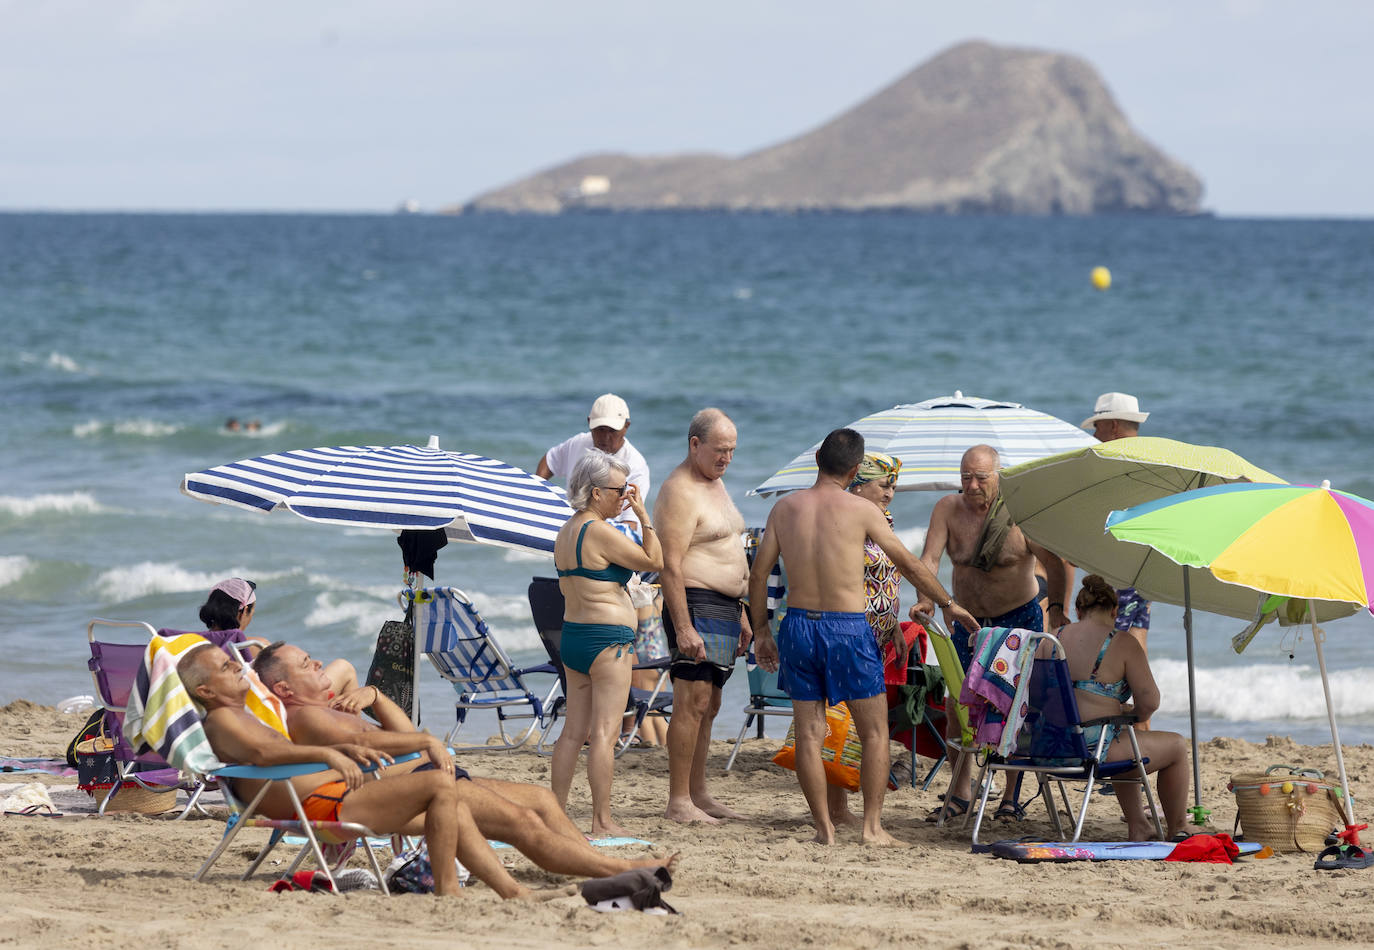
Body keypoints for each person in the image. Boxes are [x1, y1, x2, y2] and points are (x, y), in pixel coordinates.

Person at [252, 641, 678, 879]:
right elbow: (399, 745)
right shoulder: (308, 718)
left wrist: (377, 696)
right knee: (522, 822)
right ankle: (619, 870)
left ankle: (596, 861)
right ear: (285, 690)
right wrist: (420, 738)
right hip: (413, 787)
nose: (319, 662)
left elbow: (403, 737)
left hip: (423, 772)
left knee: (541, 800)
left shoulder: (329, 708)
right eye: (308, 664)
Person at [748, 428, 981, 846]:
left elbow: (759, 573)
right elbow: (908, 562)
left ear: (819, 458)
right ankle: (873, 829)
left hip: (798, 625)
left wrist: (762, 630)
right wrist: (947, 603)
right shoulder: (861, 511)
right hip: (846, 627)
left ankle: (824, 828)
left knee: (808, 733)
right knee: (874, 731)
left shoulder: (784, 509)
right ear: (855, 470)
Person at [178, 643, 518, 899]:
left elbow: (274, 750)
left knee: (458, 808)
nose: (236, 665)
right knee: (452, 804)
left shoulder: (246, 716)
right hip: (320, 804)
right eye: (226, 666)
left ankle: (493, 881)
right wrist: (332, 753)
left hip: (330, 794)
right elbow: (265, 754)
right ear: (206, 691)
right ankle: (464, 883)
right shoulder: (224, 720)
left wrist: (369, 702)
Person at [910, 444, 1070, 824]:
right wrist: (928, 601)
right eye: (966, 476)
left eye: (981, 477)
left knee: (1015, 709)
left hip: (1020, 619)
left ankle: (1010, 798)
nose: (972, 485)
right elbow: (929, 560)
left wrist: (1060, 609)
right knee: (957, 705)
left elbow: (1057, 562)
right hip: (968, 622)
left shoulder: (1020, 512)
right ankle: (962, 791)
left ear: (999, 475)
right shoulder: (948, 509)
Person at [549, 450, 662, 835]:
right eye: (620, 490)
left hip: (574, 636)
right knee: (604, 734)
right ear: (596, 493)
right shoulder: (599, 530)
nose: (625, 496)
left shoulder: (566, 532)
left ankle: (557, 816)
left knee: (571, 732)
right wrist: (644, 515)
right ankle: (601, 821)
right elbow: (654, 559)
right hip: (607, 640)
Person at [654, 408, 752, 824]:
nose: (726, 458)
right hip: (693, 602)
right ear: (695, 444)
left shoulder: (716, 482)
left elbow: (727, 546)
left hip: (727, 608)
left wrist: (744, 614)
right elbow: (669, 565)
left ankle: (698, 793)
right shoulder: (680, 490)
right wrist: (683, 625)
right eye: (719, 450)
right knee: (690, 701)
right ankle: (679, 800)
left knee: (710, 703)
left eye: (731, 451)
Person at [1046, 574, 1190, 840]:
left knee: (1121, 739)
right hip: (1091, 752)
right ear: (1115, 610)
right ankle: (1178, 827)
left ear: (1078, 610)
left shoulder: (1050, 639)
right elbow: (1150, 701)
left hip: (1048, 747)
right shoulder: (1121, 642)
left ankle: (1139, 825)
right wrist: (1133, 714)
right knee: (1177, 746)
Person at [826, 452, 913, 829]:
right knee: (839, 722)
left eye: (893, 486)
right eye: (884, 485)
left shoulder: (884, 520)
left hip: (878, 634)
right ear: (858, 483)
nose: (890, 493)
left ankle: (856, 813)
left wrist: (894, 622)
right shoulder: (843, 521)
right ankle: (841, 810)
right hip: (847, 631)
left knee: (859, 725)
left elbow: (888, 578)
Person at [1081, 392, 1153, 722]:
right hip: (1142, 570)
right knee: (1138, 661)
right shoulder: (1151, 464)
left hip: (1114, 572)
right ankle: (1144, 740)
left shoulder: (1111, 464)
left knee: (1100, 665)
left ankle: (1113, 739)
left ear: (1110, 425)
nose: (1094, 435)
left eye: (1097, 428)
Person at [199, 577, 360, 699]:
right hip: (284, 708)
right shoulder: (254, 645)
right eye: (253, 610)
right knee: (344, 668)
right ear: (245, 610)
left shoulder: (195, 645)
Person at [536, 393, 650, 534]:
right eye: (600, 429)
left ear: (626, 426)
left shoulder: (636, 466)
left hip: (607, 537)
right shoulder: (578, 443)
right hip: (571, 529)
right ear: (589, 422)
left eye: (612, 431)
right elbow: (549, 461)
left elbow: (630, 523)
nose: (605, 437)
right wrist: (537, 493)